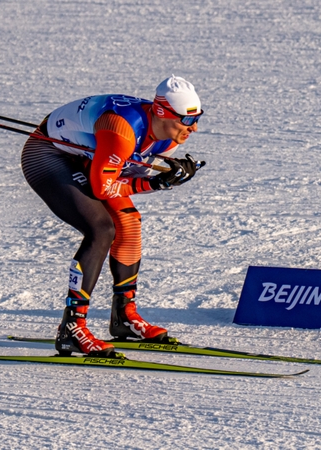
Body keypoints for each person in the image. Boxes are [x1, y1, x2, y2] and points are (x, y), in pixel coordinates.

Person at [20, 75, 205, 357]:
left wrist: (167, 174)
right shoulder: (122, 131)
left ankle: (124, 318)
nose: (193, 128)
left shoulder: (168, 138)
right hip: (49, 154)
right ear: (161, 113)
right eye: (187, 120)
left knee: (129, 223)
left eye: (197, 118)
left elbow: (126, 176)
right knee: (101, 229)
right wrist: (157, 183)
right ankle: (71, 327)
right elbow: (104, 187)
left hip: (91, 155)